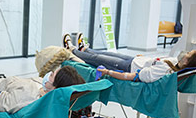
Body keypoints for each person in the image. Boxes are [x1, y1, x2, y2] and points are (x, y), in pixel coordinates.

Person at [63, 33, 196, 83]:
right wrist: (146, 60)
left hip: (129, 67)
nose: (186, 53)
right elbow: (156, 62)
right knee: (105, 54)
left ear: (187, 61)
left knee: (98, 58)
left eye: (188, 54)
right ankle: (83, 49)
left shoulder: (167, 72)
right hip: (135, 61)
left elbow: (144, 75)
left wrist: (112, 73)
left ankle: (71, 49)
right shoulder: (173, 62)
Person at [0, 65, 85, 113]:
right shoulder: (43, 88)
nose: (48, 74)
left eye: (51, 75)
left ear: (55, 88)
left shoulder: (31, 96)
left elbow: (2, 103)